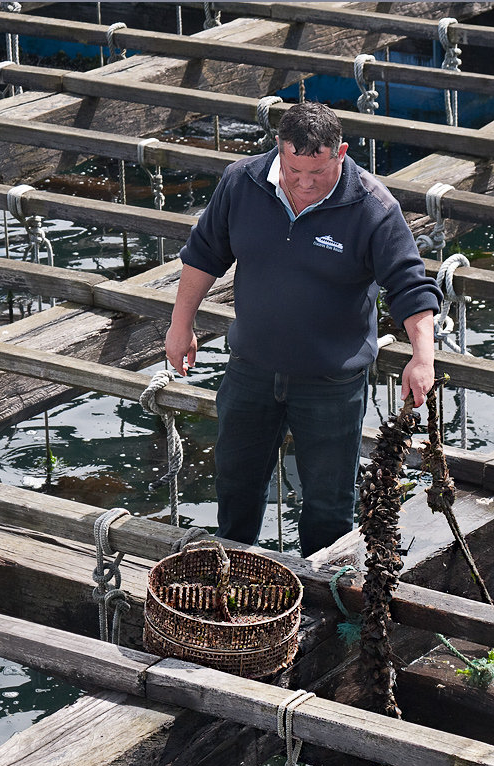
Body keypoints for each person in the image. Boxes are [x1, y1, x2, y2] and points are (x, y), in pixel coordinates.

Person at [165, 101, 443, 557]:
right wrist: (181, 326)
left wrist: (423, 357)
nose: (306, 182)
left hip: (331, 382)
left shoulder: (374, 207)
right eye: (295, 170)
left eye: (319, 171)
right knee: (235, 483)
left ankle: (324, 600)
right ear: (278, 148)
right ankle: (233, 567)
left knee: (328, 504)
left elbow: (411, 287)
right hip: (250, 370)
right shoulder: (241, 181)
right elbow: (203, 254)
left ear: (342, 152)